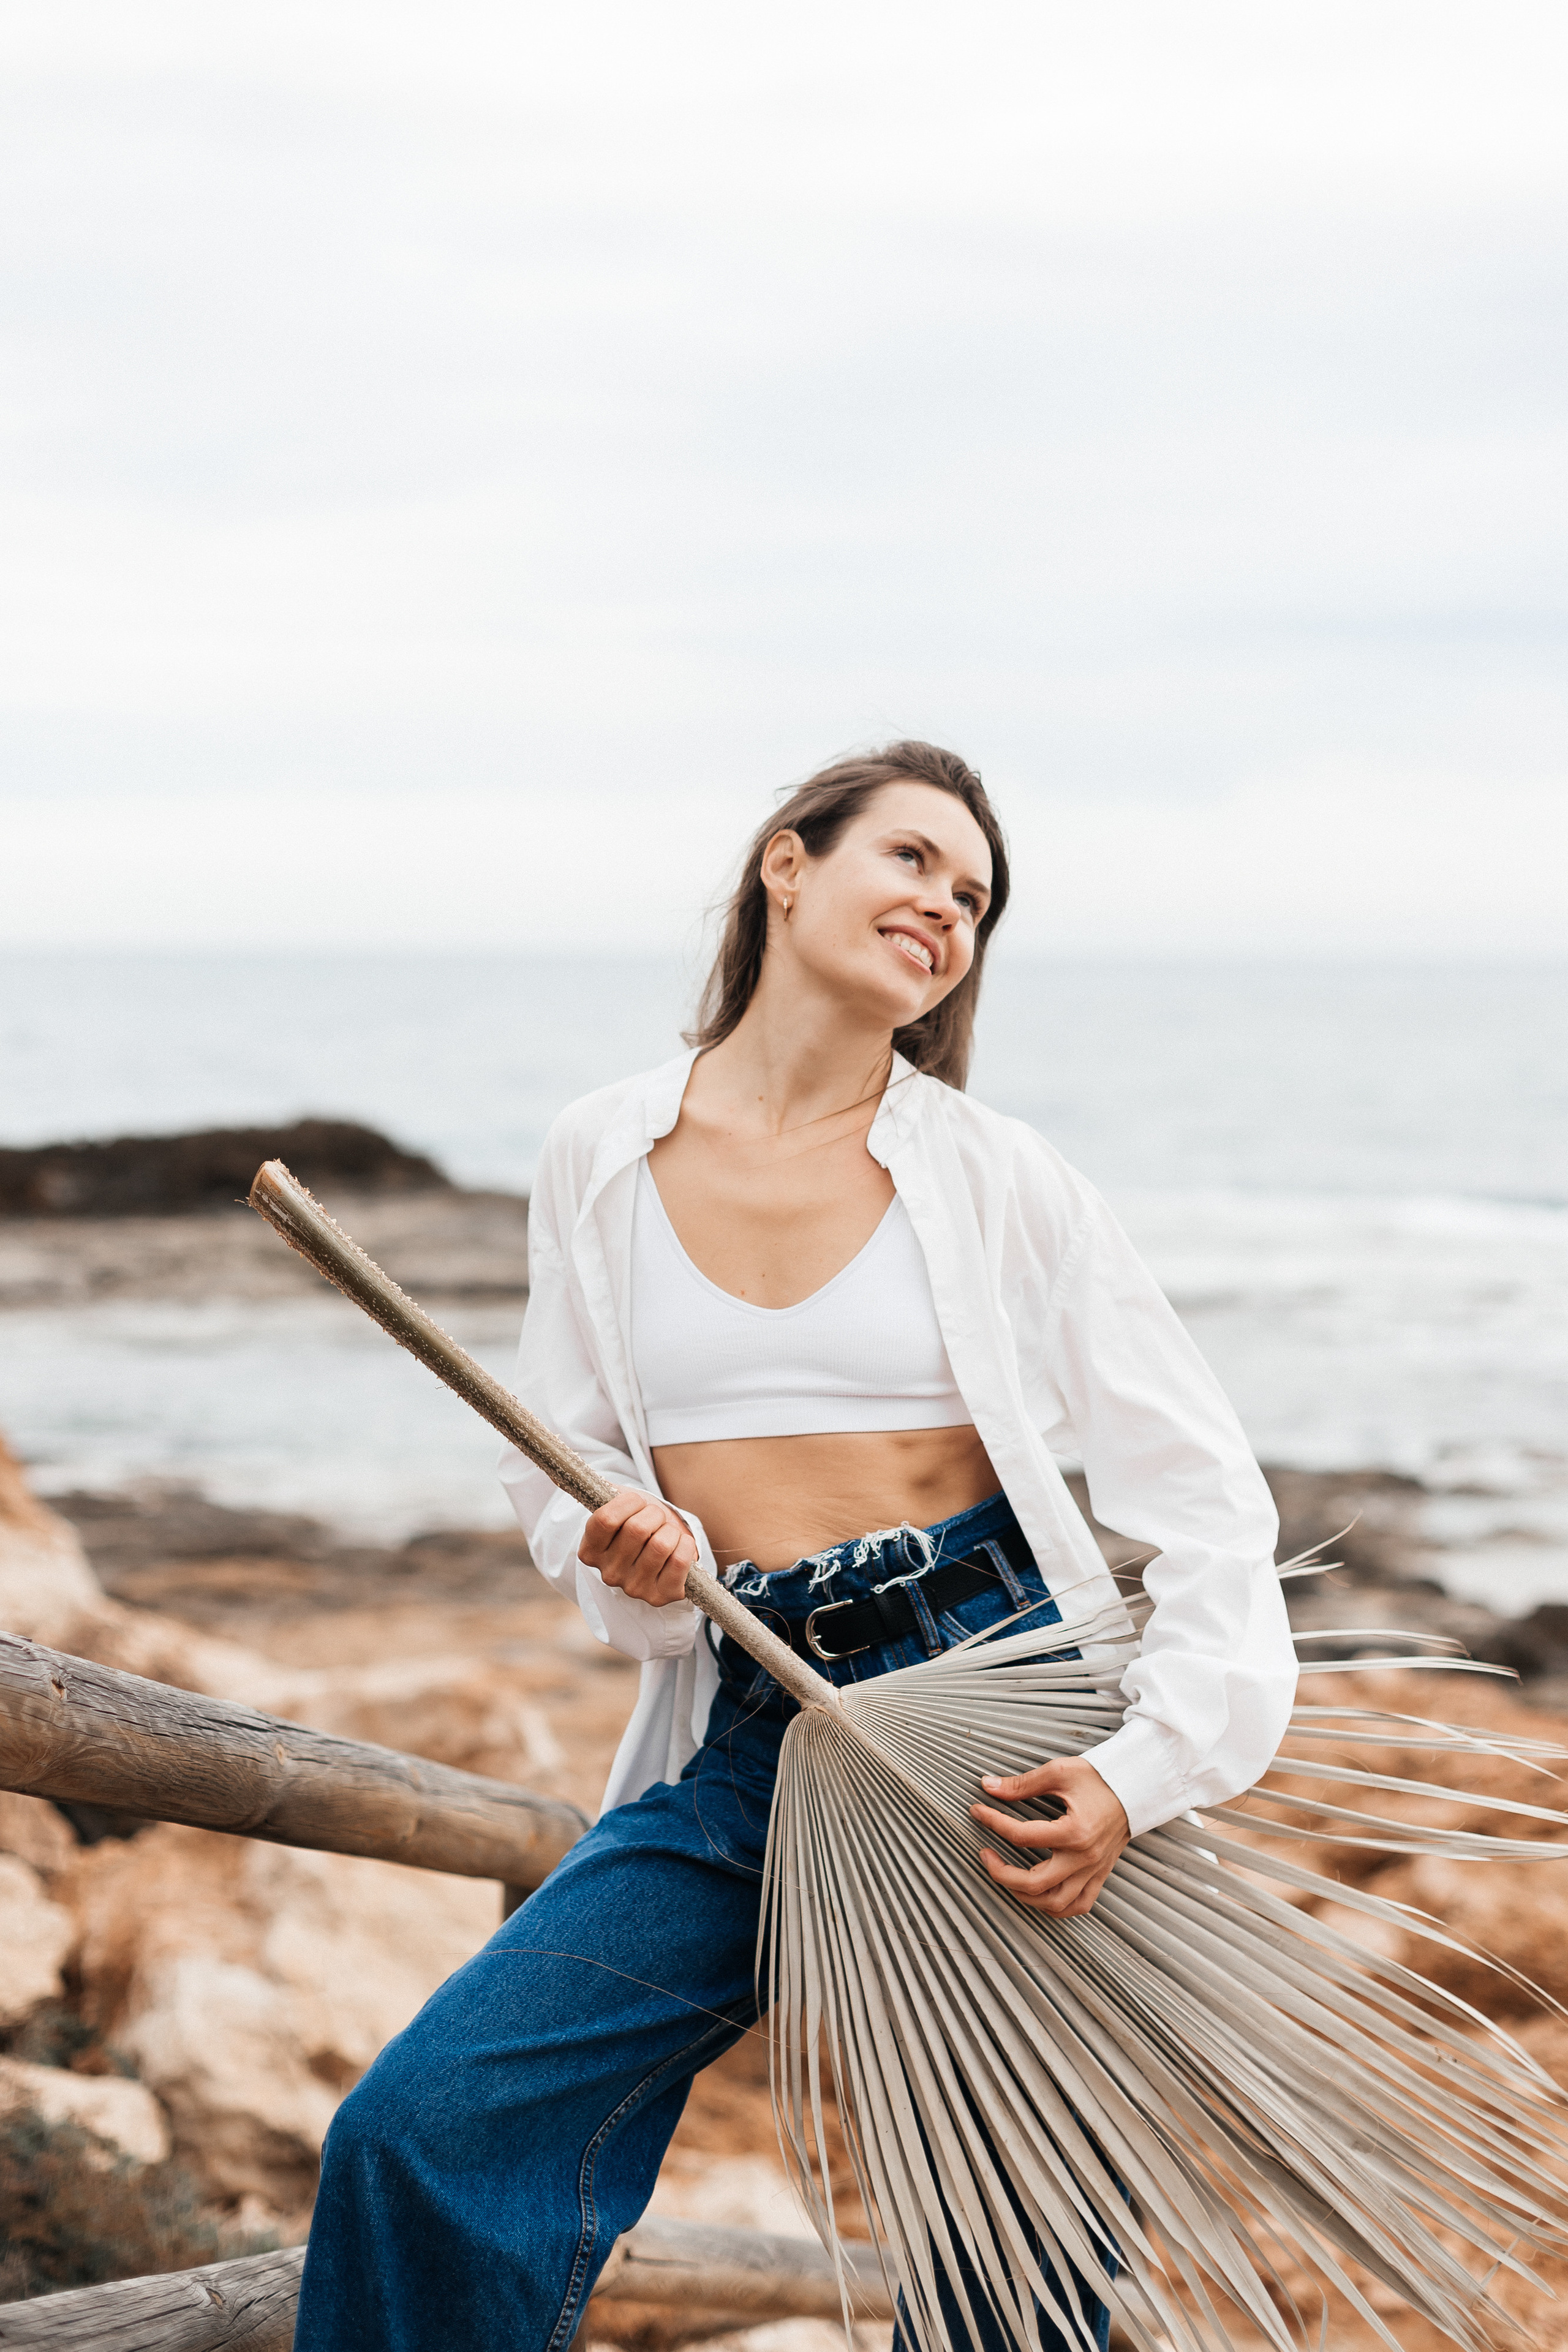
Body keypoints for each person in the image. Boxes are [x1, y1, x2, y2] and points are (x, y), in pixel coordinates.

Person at [295, 741, 1298, 2352]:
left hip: (1009, 1720)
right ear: (788, 864)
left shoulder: (997, 1176)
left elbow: (1202, 1496)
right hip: (754, 1721)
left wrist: (1147, 1770)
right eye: (911, 860)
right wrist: (625, 1553)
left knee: (1017, 2275)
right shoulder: (599, 1155)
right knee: (425, 2138)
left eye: (973, 898)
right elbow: (561, 1460)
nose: (945, 909)